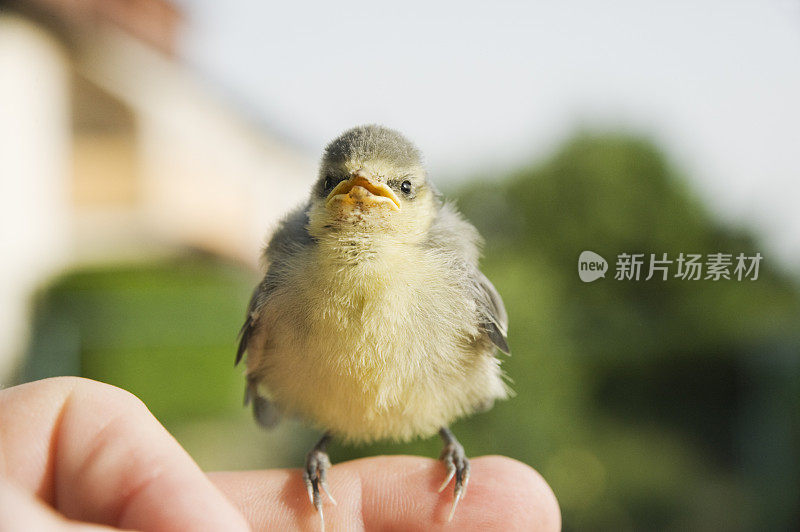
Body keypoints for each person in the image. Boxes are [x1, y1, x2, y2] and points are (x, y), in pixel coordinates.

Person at [0, 377, 560, 530]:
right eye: (339, 184)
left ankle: (447, 442)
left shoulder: (447, 266)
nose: (362, 196)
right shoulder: (292, 273)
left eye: (400, 188)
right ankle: (322, 450)